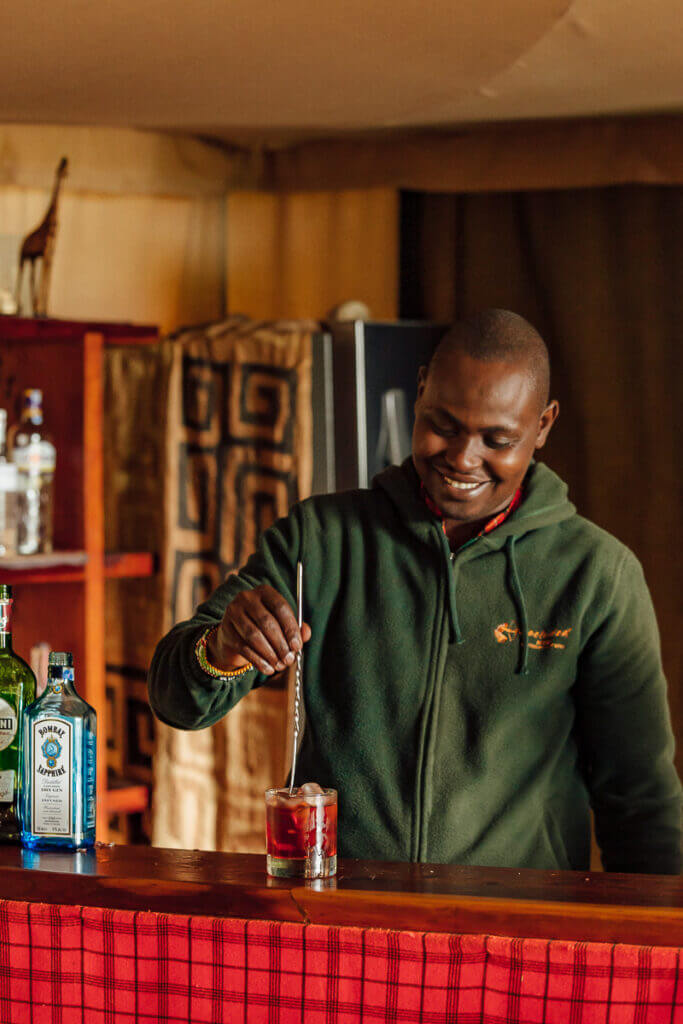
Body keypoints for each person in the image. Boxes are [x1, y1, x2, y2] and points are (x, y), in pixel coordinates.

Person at [148, 309, 681, 873]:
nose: (462, 458)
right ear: (421, 386)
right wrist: (221, 649)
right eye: (444, 426)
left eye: (497, 439)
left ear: (544, 425)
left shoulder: (597, 574)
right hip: (343, 924)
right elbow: (174, 699)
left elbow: (640, 800)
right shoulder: (322, 540)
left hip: (513, 939)